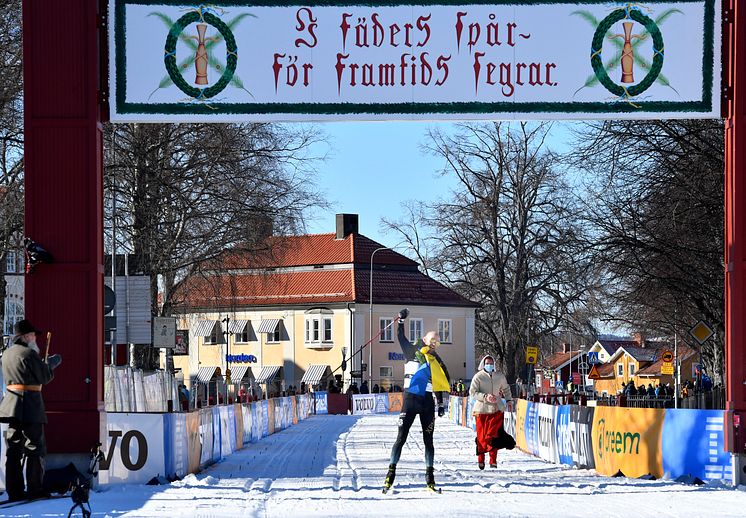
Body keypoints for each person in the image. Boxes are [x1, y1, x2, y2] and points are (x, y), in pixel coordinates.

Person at [383, 309, 451, 493]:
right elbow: (400, 337)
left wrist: (441, 402)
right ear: (425, 340)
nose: (435, 344)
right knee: (401, 438)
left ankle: (430, 477)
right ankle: (390, 473)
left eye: (438, 342)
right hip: (410, 400)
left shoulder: (436, 359)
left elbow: (441, 381)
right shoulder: (411, 351)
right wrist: (401, 320)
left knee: (428, 440)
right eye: (433, 341)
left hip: (427, 403)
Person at [0, 319, 62, 502]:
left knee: (13, 449)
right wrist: (50, 364)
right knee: (34, 446)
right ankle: (35, 488)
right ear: (26, 336)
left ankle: (14, 490)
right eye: (33, 335)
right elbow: (44, 377)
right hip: (30, 405)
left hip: (11, 405)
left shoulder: (7, 354)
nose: (35, 338)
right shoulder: (29, 353)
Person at [470, 355, 513, 469]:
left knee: (494, 436)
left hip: (497, 409)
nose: (489, 365)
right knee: (482, 436)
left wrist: (509, 400)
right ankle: (481, 459)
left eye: (491, 363)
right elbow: (473, 392)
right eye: (487, 363)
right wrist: (485, 396)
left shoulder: (499, 376)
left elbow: (506, 388)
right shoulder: (478, 377)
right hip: (482, 411)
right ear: (484, 364)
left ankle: (493, 461)